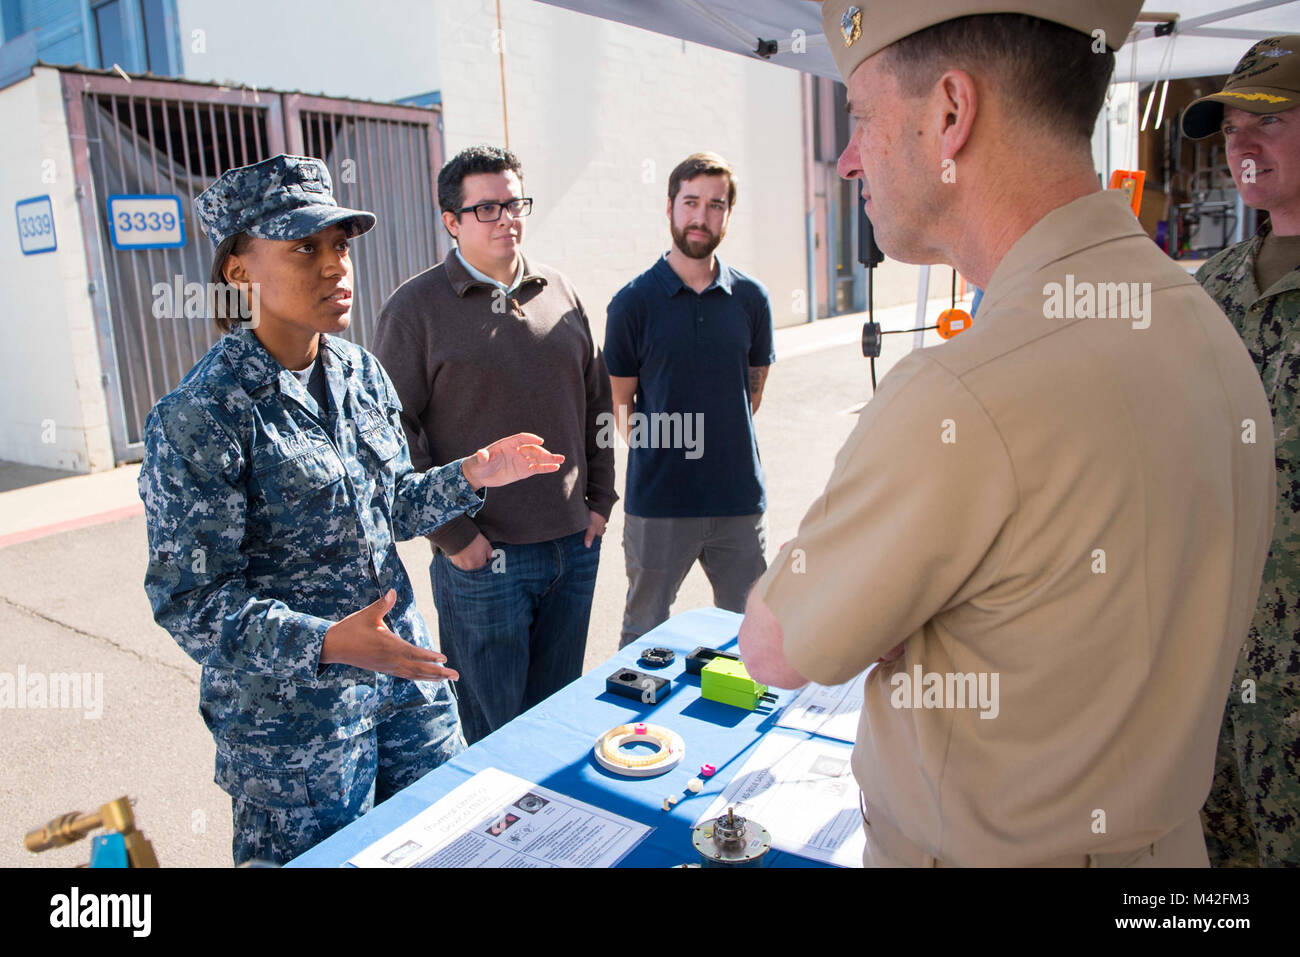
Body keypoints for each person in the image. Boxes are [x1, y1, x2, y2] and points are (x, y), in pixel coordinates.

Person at [738, 0, 1276, 867]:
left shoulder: (962, 394)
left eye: (860, 119)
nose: (846, 160)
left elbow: (776, 645)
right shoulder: (1204, 325)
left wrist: (880, 602)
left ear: (950, 114)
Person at [139, 154, 563, 866]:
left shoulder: (358, 370)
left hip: (404, 682)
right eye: (305, 247)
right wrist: (328, 642)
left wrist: (471, 472)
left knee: (455, 845)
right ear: (239, 269)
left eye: (340, 245)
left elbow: (390, 502)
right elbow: (190, 600)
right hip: (296, 738)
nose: (335, 265)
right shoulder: (202, 413)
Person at [373, 145, 616, 745]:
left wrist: (601, 501)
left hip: (572, 548)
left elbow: (596, 404)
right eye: (487, 208)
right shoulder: (415, 309)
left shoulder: (559, 290)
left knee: (556, 726)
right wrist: (454, 536)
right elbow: (391, 433)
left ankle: (555, 837)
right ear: (451, 222)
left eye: (515, 203)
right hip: (486, 560)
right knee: (492, 736)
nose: (507, 217)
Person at [1182, 35, 1300, 868]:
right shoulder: (1207, 290)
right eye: (1228, 129)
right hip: (1210, 674)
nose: (1241, 145)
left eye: (1271, 119)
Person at [604, 151, 774, 648]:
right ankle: (633, 730)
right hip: (660, 505)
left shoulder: (751, 299)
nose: (702, 216)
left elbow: (752, 391)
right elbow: (622, 408)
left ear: (727, 214)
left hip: (737, 500)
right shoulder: (632, 303)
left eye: (716, 205)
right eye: (691, 202)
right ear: (671, 207)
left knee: (751, 636)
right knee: (644, 636)